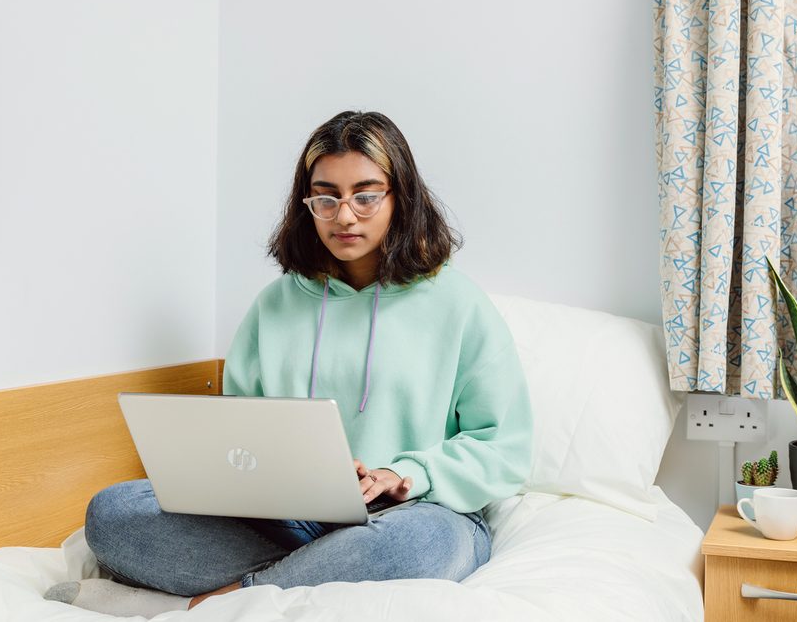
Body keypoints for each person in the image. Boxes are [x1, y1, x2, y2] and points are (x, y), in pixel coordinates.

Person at [44, 110, 534, 617]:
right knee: (114, 512)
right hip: (289, 519)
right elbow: (237, 439)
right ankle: (312, 577)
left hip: (414, 516)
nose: (345, 217)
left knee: (420, 546)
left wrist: (404, 473)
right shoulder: (274, 306)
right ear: (307, 204)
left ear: (400, 198)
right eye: (326, 198)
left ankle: (207, 604)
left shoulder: (458, 304)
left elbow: (504, 449)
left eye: (366, 196)